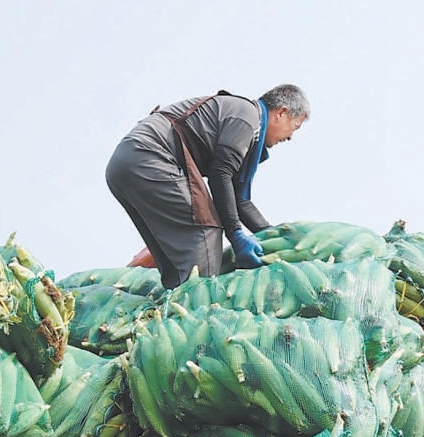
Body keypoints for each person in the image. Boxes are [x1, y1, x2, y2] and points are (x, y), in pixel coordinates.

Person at [106, 84, 310, 289]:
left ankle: (176, 304)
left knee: (176, 265)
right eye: (296, 126)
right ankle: (198, 306)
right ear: (281, 113)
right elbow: (220, 174)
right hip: (151, 155)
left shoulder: (248, 128)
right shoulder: (248, 117)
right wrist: (236, 234)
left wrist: (272, 235)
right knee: (205, 229)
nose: (291, 137)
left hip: (125, 163)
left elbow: (240, 200)